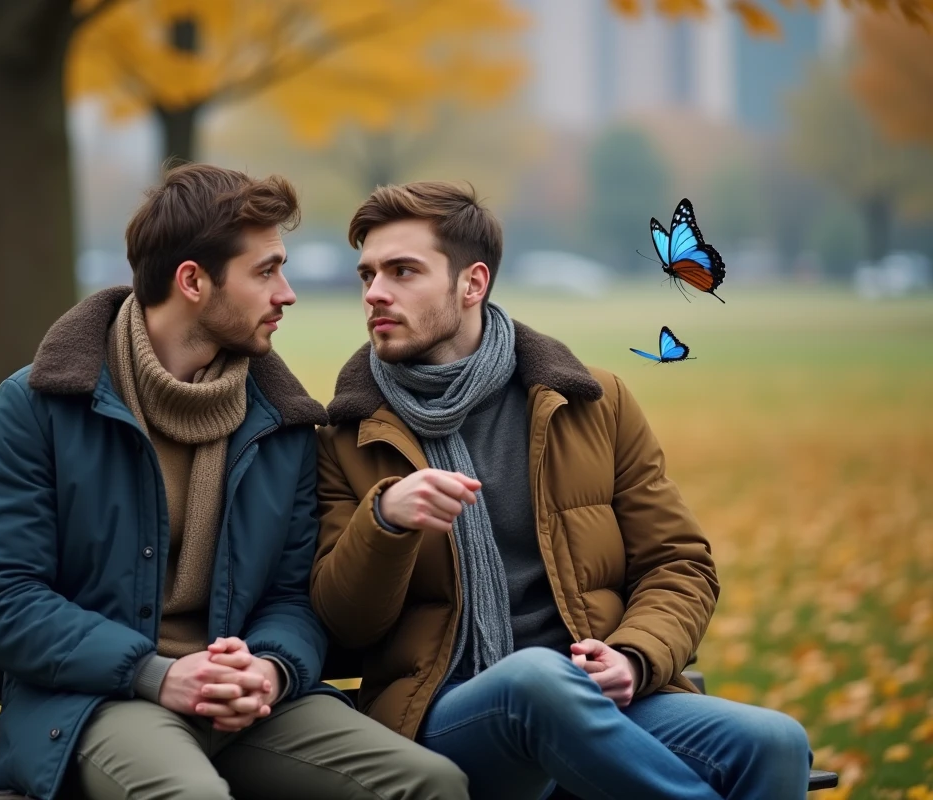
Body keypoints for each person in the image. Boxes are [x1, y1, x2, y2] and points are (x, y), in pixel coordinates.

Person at [0, 164, 467, 800]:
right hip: (96, 703)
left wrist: (272, 670)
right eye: (265, 271)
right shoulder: (42, 406)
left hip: (250, 707)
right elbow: (2, 599)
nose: (287, 293)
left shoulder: (283, 422)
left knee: (430, 784)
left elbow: (292, 593)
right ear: (193, 281)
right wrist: (153, 672)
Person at [310, 181, 813, 800]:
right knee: (534, 680)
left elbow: (679, 565)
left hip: (597, 696)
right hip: (440, 714)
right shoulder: (347, 435)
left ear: (472, 284)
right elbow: (343, 624)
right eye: (368, 274)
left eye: (402, 271)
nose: (375, 293)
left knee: (775, 742)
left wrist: (633, 656)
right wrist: (383, 523)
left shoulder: (589, 404)